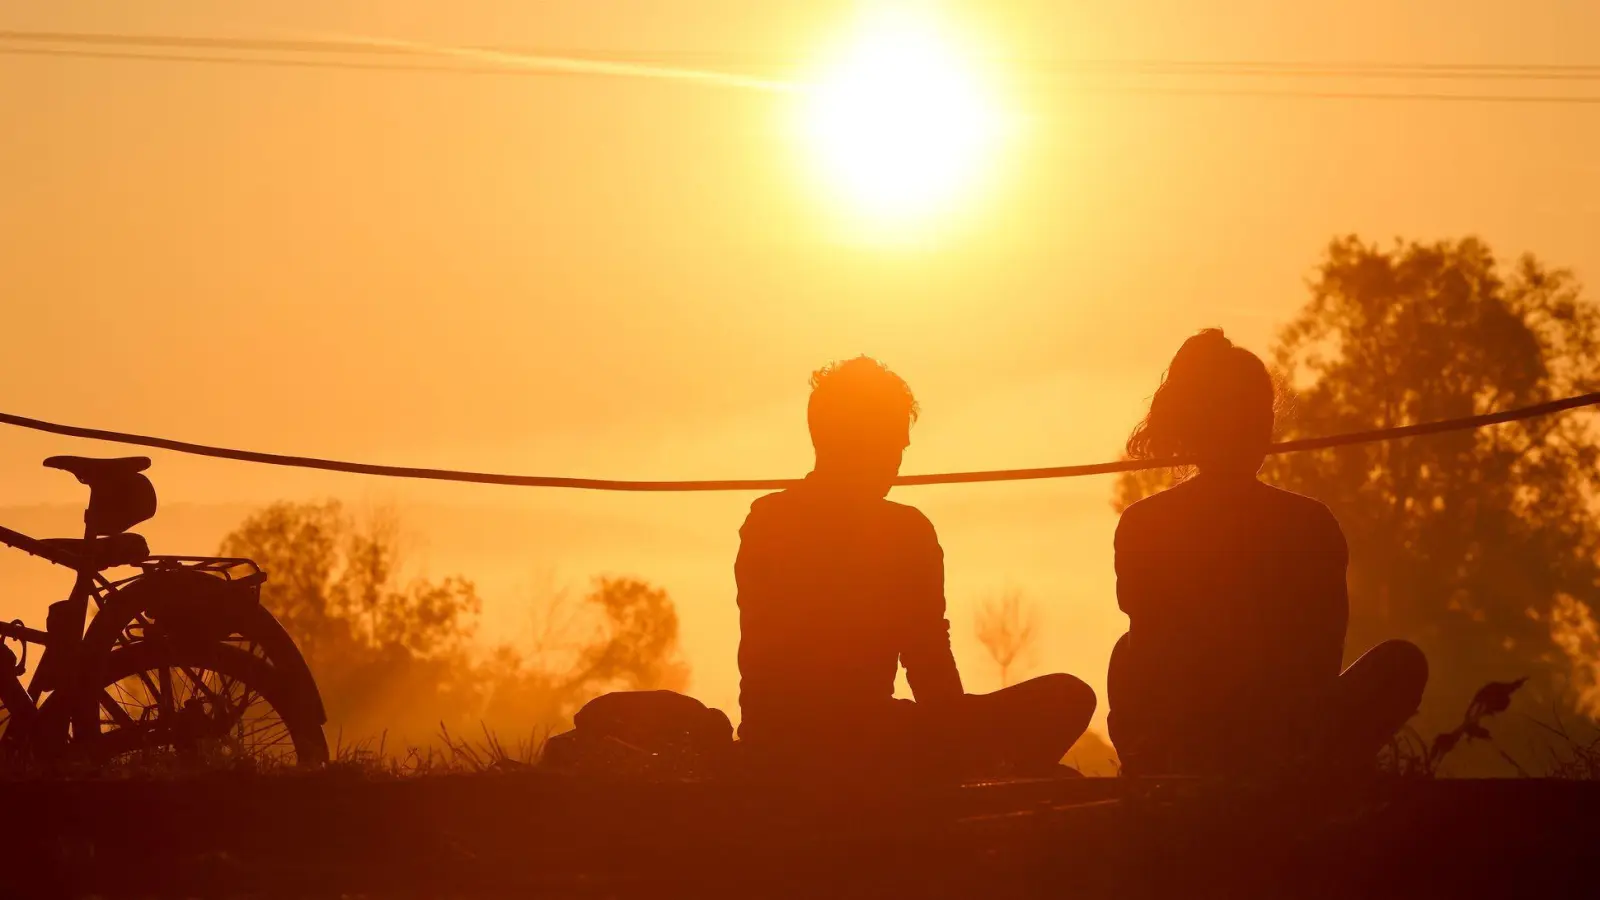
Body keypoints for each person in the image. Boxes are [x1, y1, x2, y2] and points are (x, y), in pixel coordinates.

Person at [735, 356, 1096, 777]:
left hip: (777, 741)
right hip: (869, 742)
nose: (898, 461)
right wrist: (957, 736)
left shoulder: (765, 521)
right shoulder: (903, 531)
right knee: (1067, 697)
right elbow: (929, 664)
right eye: (894, 445)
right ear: (863, 442)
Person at [1108, 329, 1429, 776]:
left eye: (1261, 415)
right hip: (1281, 738)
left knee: (1125, 654)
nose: (1259, 429)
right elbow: (1322, 656)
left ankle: (1172, 768)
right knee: (1400, 665)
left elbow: (1152, 651)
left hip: (1202, 737)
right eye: (1246, 415)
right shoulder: (1309, 522)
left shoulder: (1144, 522)